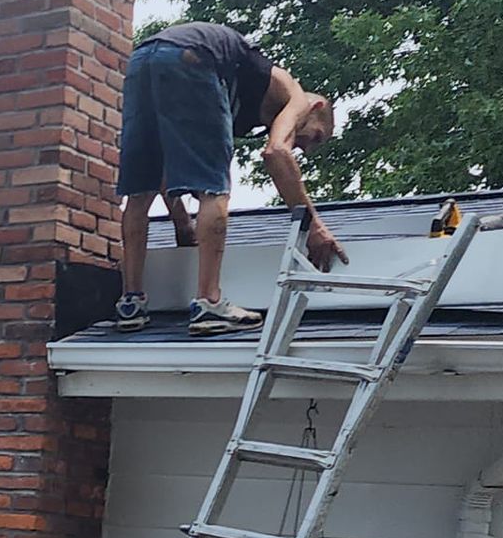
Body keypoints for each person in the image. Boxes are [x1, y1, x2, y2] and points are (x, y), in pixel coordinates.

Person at [114, 22, 346, 336]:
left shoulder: (240, 107)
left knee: (140, 190)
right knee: (214, 188)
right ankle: (209, 304)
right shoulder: (298, 97)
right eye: (315, 136)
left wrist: (182, 223)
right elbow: (276, 153)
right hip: (195, 56)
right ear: (316, 107)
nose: (305, 147)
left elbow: (165, 163)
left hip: (142, 60)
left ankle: (131, 304)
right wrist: (315, 228)